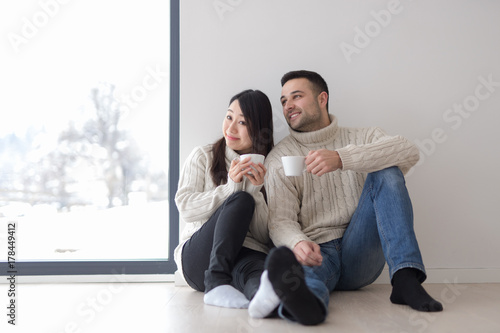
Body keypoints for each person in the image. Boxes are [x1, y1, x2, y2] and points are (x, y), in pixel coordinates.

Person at [248, 70, 442, 325]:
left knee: (388, 170)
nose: (288, 106)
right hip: (318, 250)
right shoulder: (280, 158)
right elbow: (280, 221)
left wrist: (342, 159)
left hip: (361, 249)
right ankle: (309, 306)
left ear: (322, 98)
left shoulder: (363, 137)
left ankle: (406, 278)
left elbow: (408, 151)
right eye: (284, 101)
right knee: (305, 279)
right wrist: (297, 243)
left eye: (296, 96)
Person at [174, 89, 274, 309]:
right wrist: (230, 189)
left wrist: (257, 191)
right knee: (241, 200)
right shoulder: (203, 156)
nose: (230, 128)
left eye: (242, 122)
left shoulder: (272, 167)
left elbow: (263, 235)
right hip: (199, 259)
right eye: (229, 117)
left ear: (258, 128)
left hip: (244, 254)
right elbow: (186, 209)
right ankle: (216, 283)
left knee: (259, 275)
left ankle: (265, 302)